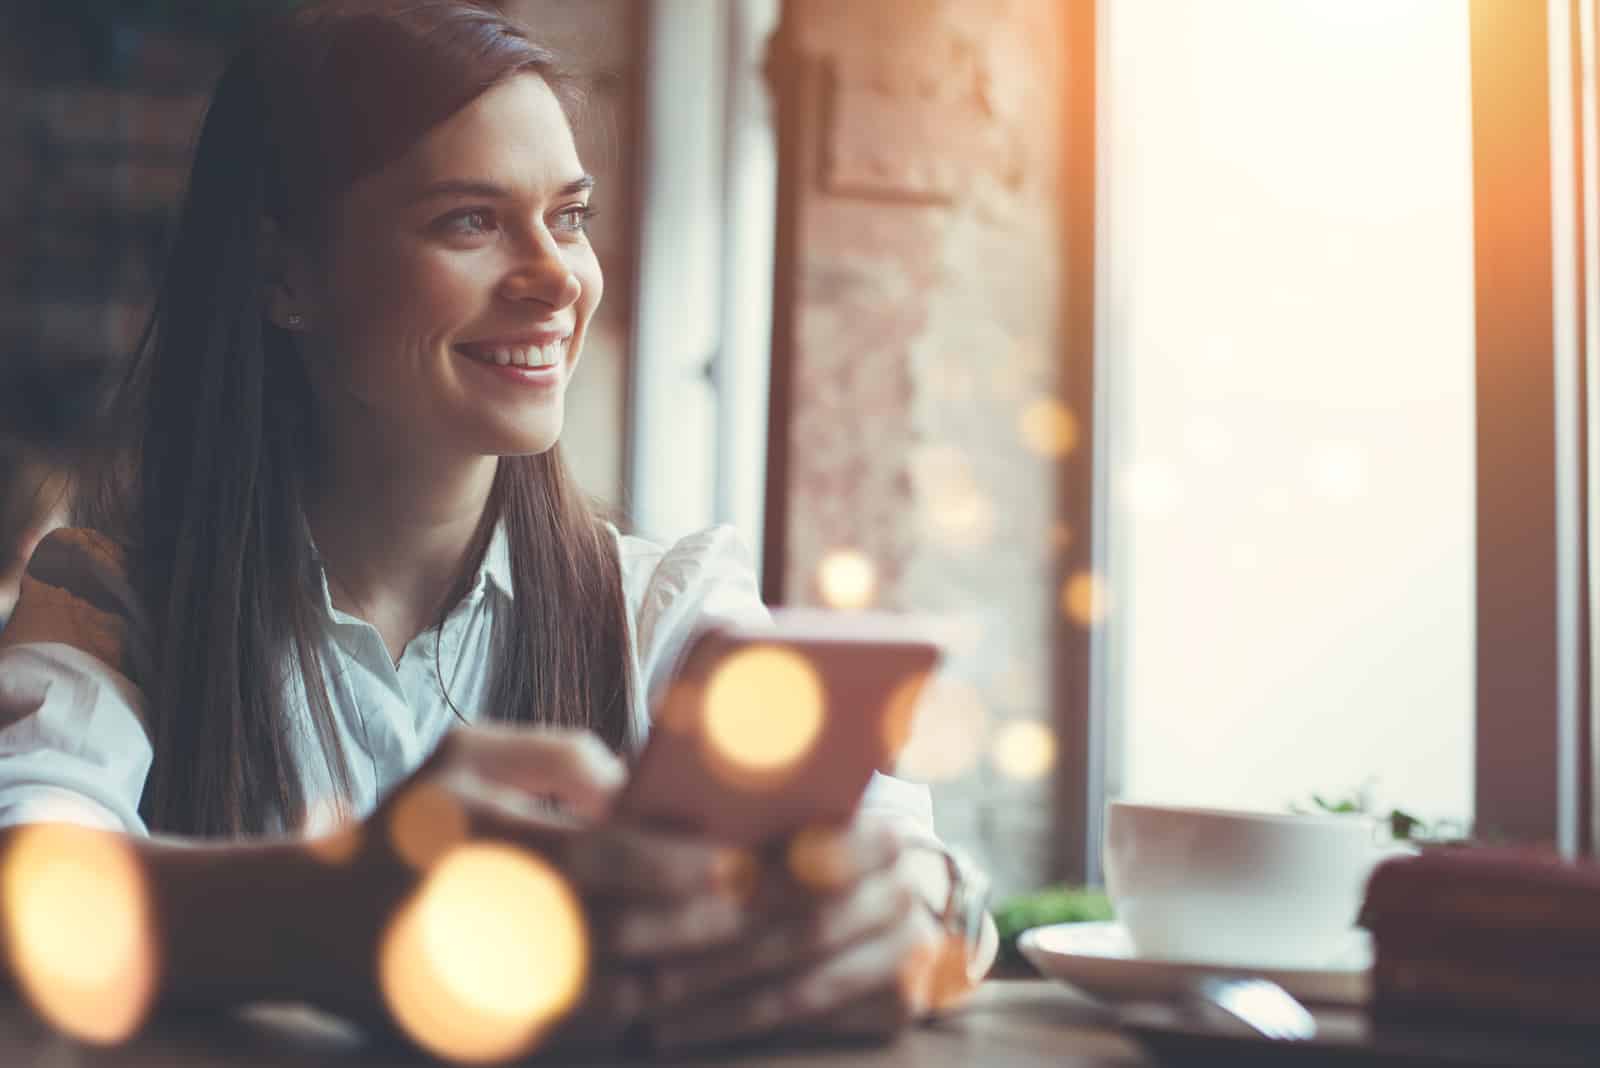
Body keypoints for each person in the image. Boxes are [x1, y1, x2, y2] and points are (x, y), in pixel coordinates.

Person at [0, 0, 996, 1056]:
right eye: (468, 221)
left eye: (567, 216)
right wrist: (340, 911)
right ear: (286, 275)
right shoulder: (115, 602)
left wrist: (915, 896)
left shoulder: (660, 612)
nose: (557, 276)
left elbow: (908, 870)